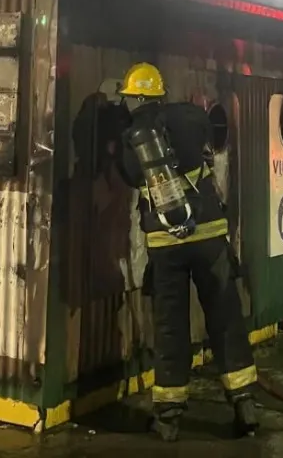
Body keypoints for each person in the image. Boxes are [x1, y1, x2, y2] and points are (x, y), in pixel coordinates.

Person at [116, 62, 259, 443]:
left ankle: (168, 417)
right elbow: (208, 140)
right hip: (210, 234)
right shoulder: (193, 116)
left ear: (137, 98)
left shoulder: (133, 138)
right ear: (160, 93)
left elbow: (130, 177)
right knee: (225, 316)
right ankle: (244, 404)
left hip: (167, 244)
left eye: (129, 97)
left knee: (170, 327)